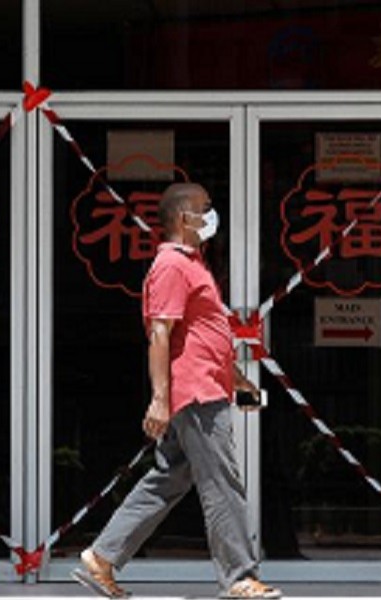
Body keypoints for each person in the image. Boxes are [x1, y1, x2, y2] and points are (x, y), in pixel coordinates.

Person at [71, 183, 281, 599]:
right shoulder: (171, 266)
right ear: (185, 218)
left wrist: (237, 381)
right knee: (222, 483)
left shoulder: (191, 264)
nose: (211, 216)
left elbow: (202, 334)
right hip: (195, 395)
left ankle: (102, 558)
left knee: (169, 478)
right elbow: (160, 336)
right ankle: (240, 576)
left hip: (204, 387)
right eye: (205, 209)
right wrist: (161, 399)